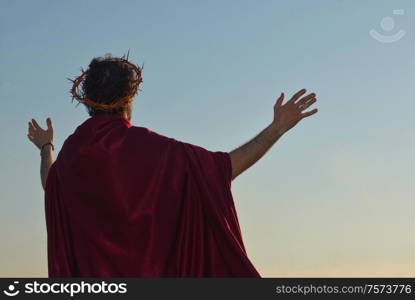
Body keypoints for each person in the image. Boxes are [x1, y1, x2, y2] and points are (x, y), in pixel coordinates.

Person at [27, 53, 317, 277]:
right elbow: (225, 169)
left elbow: (49, 183)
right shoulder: (156, 151)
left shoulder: (73, 155)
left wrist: (46, 148)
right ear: (129, 97)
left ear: (88, 99)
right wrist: (277, 128)